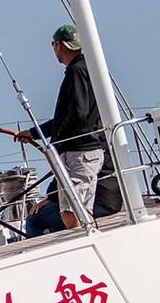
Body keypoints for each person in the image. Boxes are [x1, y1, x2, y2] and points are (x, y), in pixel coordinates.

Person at [13, 24, 109, 230]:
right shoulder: (87, 69)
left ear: (58, 45)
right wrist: (34, 133)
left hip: (79, 153)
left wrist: (56, 138)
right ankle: (88, 238)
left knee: (70, 211)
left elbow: (77, 114)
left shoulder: (76, 72)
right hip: (87, 152)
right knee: (81, 209)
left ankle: (83, 246)